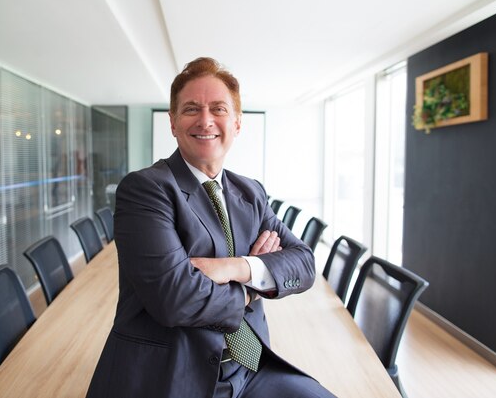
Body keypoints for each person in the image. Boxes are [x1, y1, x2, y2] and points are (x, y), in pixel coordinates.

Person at [86, 57, 336, 398]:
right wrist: (252, 287)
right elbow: (175, 298)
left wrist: (236, 267)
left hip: (250, 368)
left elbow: (304, 262)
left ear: (236, 123)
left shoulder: (251, 192)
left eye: (218, 108)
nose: (205, 120)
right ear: (173, 123)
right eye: (191, 109)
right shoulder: (146, 189)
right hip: (174, 377)